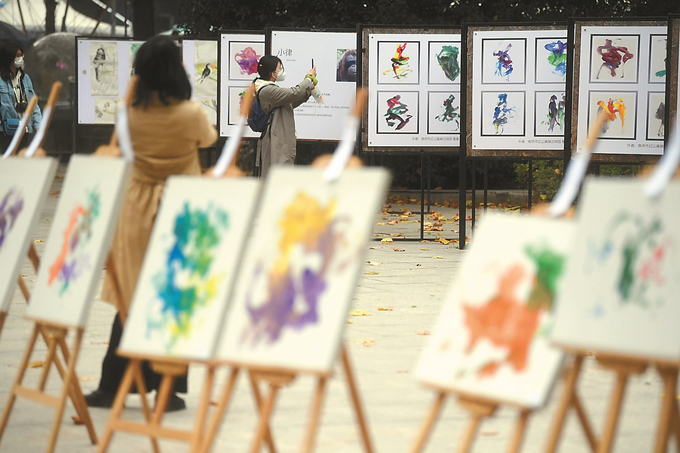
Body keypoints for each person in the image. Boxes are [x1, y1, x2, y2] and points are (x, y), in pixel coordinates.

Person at [85, 35, 217, 411]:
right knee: (173, 299)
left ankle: (113, 385)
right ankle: (169, 389)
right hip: (180, 211)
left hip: (137, 211)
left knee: (132, 299)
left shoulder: (128, 112)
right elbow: (207, 138)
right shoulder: (190, 113)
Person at [254, 55, 316, 177]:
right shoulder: (266, 90)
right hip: (275, 140)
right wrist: (308, 79)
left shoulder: (271, 89)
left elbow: (290, 103)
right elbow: (293, 93)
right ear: (272, 73)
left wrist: (308, 90)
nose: (281, 70)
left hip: (280, 139)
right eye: (279, 68)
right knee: (277, 177)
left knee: (282, 175)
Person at [0, 42, 42, 152]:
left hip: (25, 128)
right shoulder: (1, 80)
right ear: (8, 57)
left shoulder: (25, 78)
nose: (20, 58)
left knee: (20, 162)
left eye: (21, 55)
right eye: (17, 55)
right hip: (5, 130)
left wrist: (38, 124)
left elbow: (34, 104)